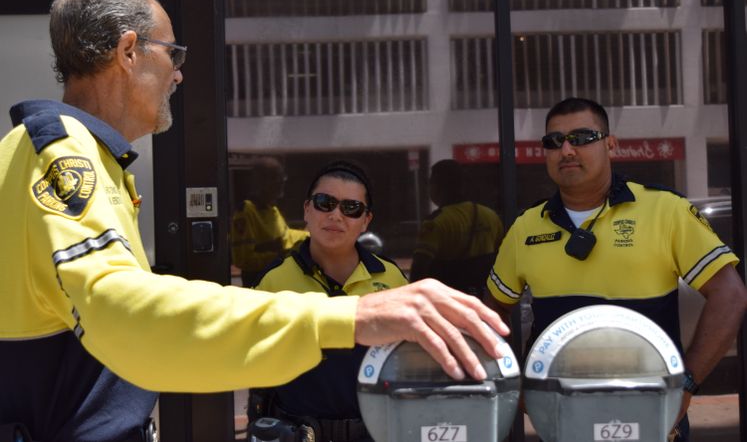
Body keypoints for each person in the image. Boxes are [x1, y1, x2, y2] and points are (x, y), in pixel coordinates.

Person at [0, 0, 509, 442]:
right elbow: (121, 311)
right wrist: (347, 316)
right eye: (172, 53)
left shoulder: (50, 153)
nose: (178, 75)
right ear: (129, 51)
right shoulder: (65, 155)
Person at [484, 97, 747, 441]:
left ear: (610, 144)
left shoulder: (665, 210)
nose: (566, 150)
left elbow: (730, 295)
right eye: (554, 141)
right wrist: (514, 382)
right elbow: (491, 311)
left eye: (581, 138)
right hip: (563, 424)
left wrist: (685, 384)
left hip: (653, 420)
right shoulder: (526, 228)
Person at [250, 160, 406, 442]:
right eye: (325, 203)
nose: (336, 214)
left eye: (351, 208)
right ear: (307, 210)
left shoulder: (392, 279)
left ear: (366, 220)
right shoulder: (272, 282)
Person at [410, 159, 504, 297]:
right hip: (485, 298)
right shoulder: (490, 216)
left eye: (430, 183)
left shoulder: (436, 222)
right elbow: (503, 258)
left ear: (438, 186)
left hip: (452, 301)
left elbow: (419, 269)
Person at [230, 156, 308, 288]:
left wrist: (310, 235)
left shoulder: (271, 209)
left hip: (277, 281)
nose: (281, 183)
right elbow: (243, 260)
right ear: (261, 181)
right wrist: (280, 256)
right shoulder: (246, 212)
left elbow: (285, 237)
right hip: (258, 284)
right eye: (276, 178)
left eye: (282, 178)